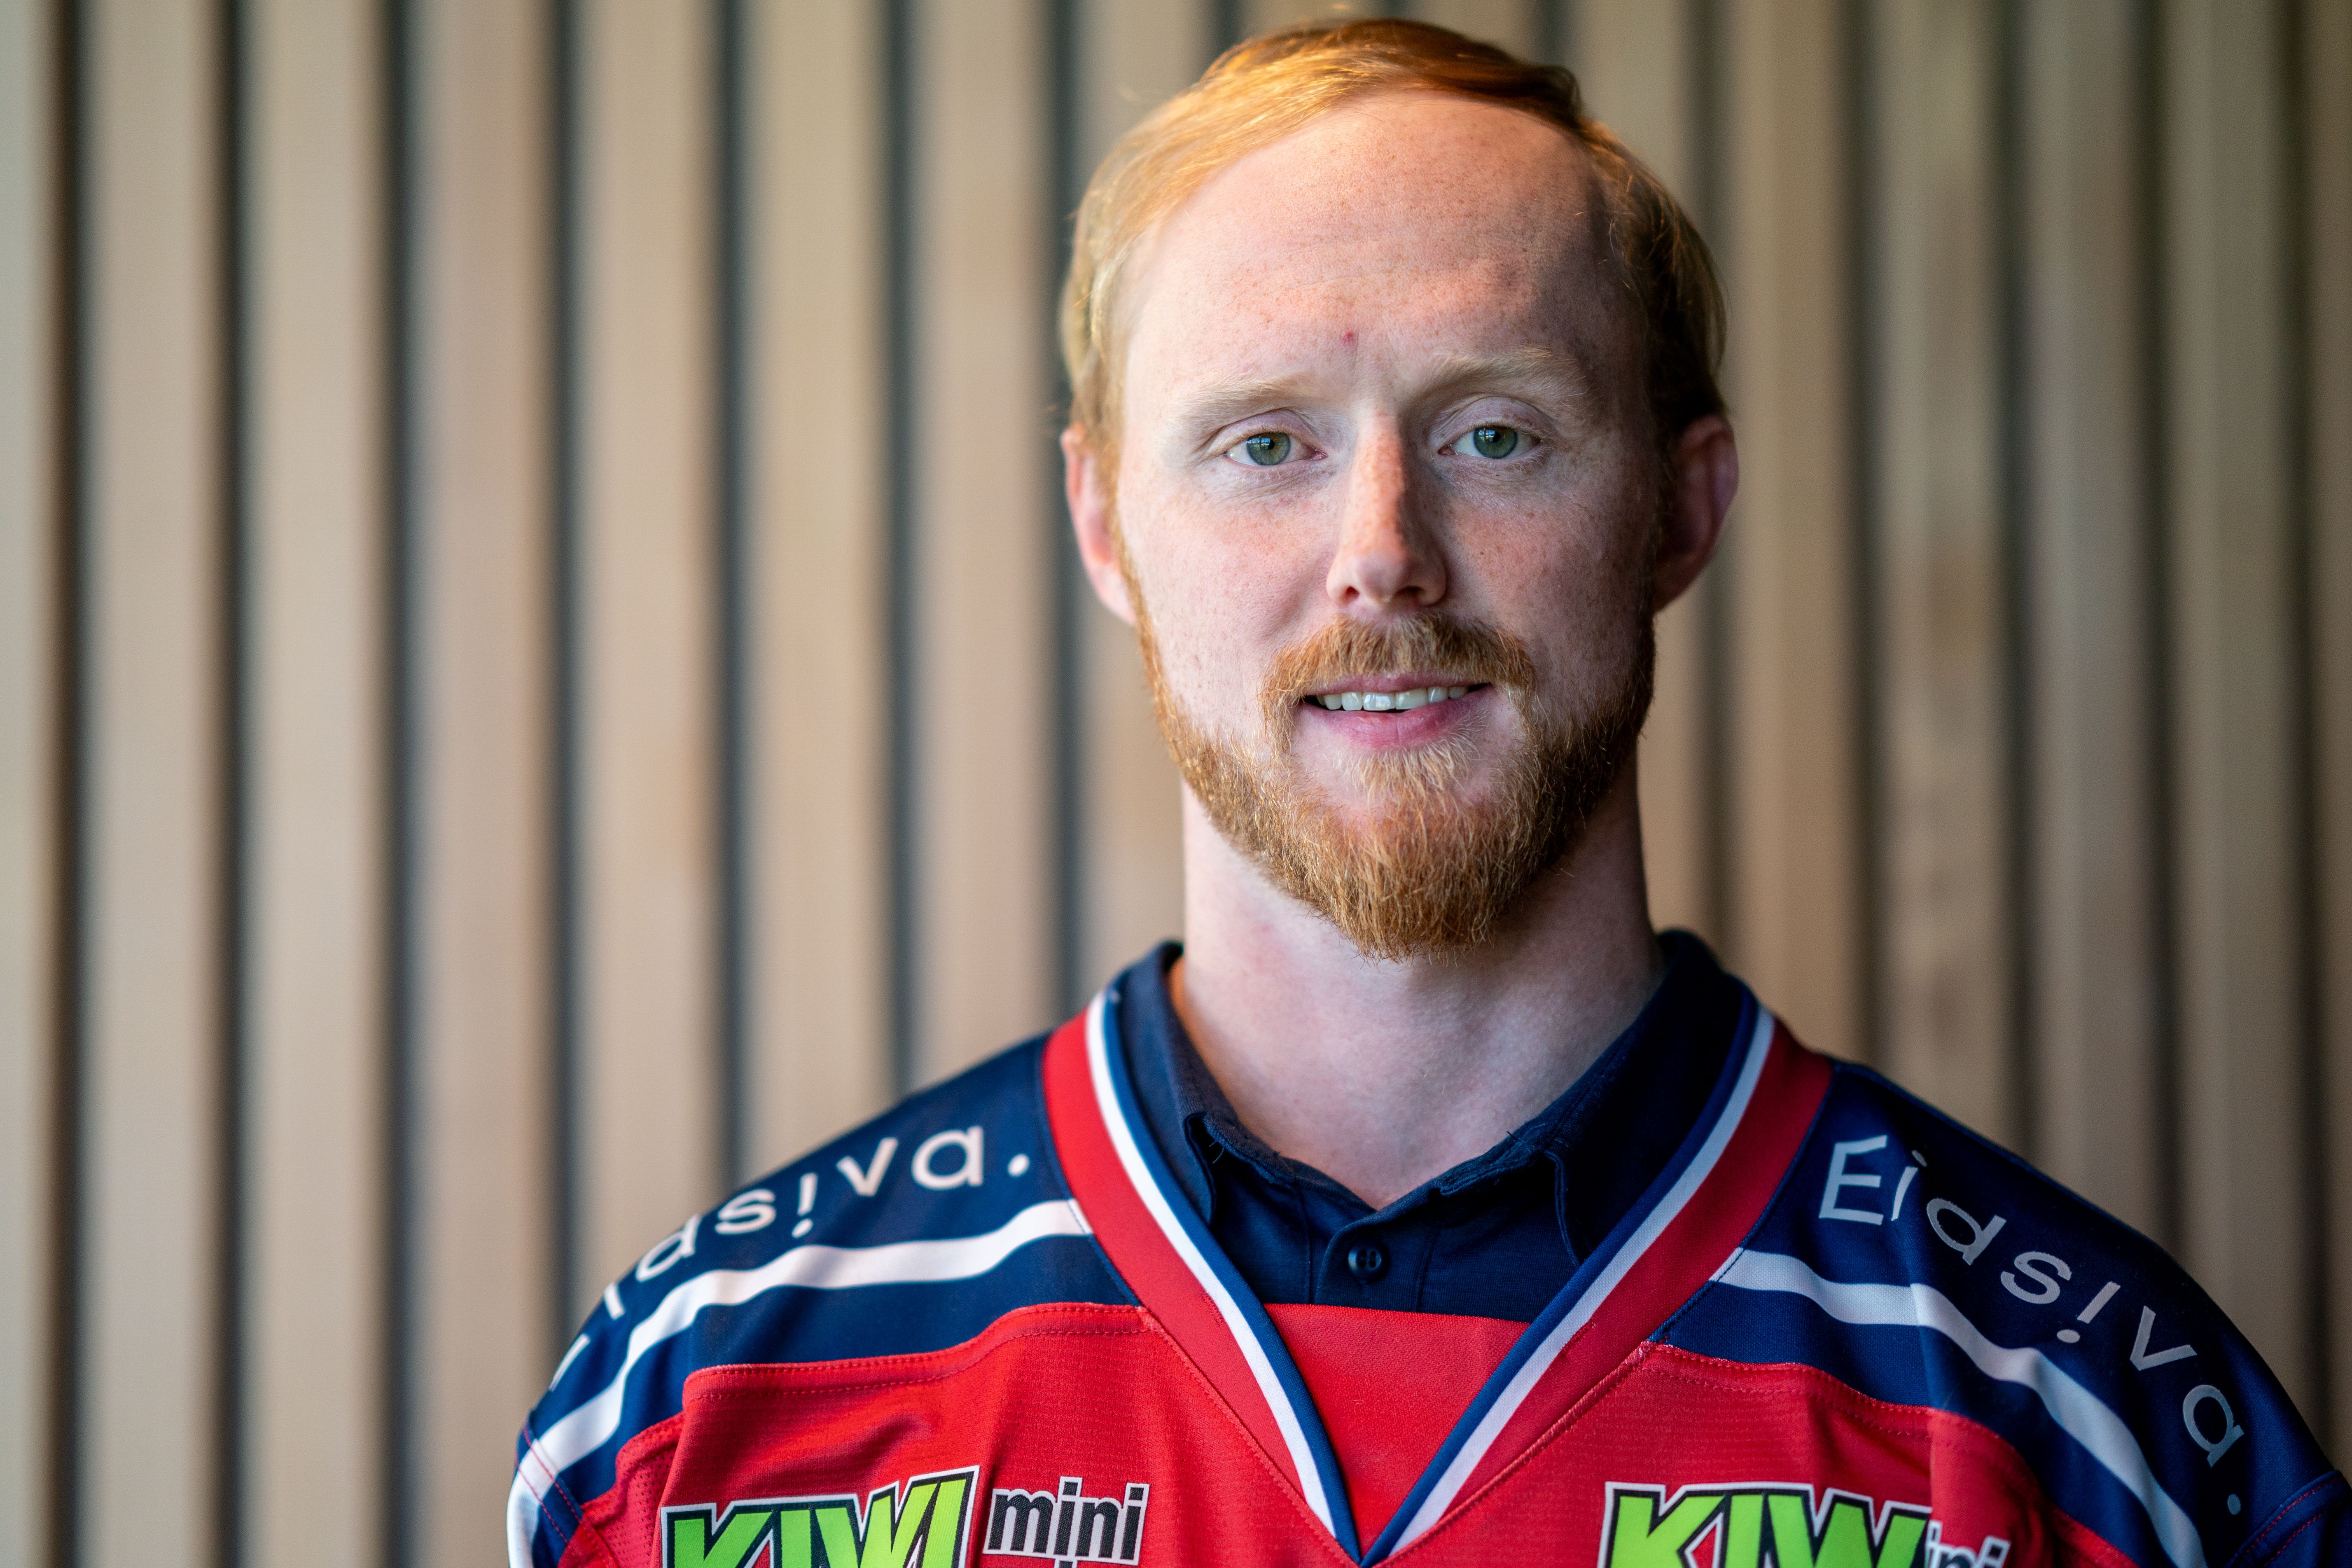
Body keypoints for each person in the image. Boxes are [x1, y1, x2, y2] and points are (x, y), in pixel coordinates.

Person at [508, 21, 2344, 1568]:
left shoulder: (2099, 1430)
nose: (1382, 552)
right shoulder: (697, 1418)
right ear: (1106, 524)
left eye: (1496, 432)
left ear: (1681, 509)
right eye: (1265, 443)